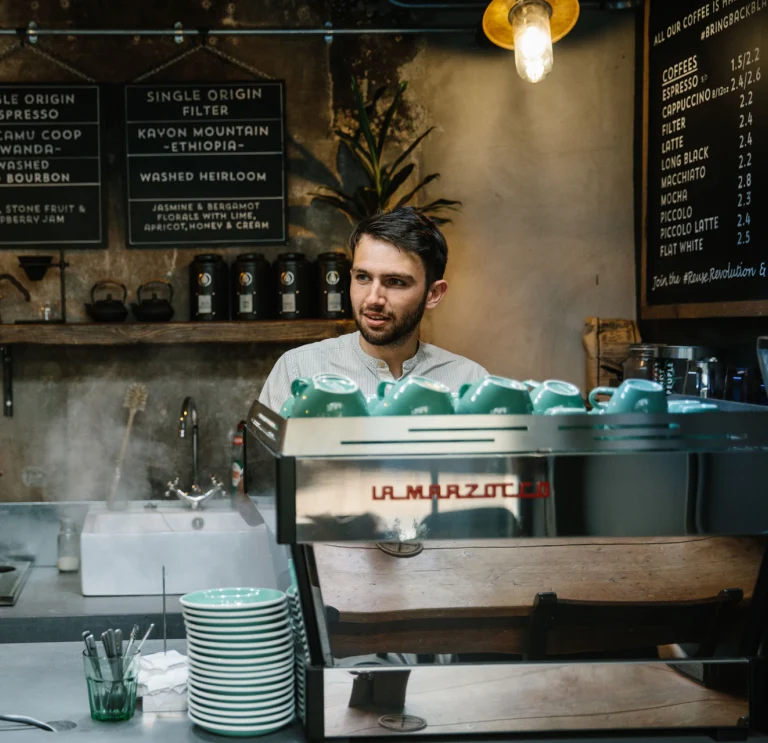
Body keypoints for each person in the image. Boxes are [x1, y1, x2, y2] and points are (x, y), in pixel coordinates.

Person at [259, 207, 488, 412]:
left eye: (396, 281)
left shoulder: (468, 382)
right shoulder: (298, 369)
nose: (373, 298)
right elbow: (263, 460)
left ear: (433, 294)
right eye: (363, 277)